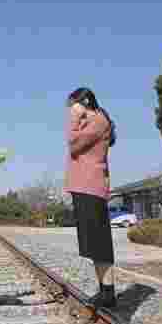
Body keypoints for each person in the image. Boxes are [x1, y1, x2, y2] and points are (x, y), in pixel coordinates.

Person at [64, 87, 117, 308]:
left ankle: (108, 293)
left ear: (83, 101)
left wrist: (75, 119)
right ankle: (105, 291)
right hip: (84, 185)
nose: (71, 110)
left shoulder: (97, 120)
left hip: (91, 186)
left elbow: (73, 145)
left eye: (73, 105)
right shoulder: (93, 121)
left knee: (99, 243)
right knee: (94, 244)